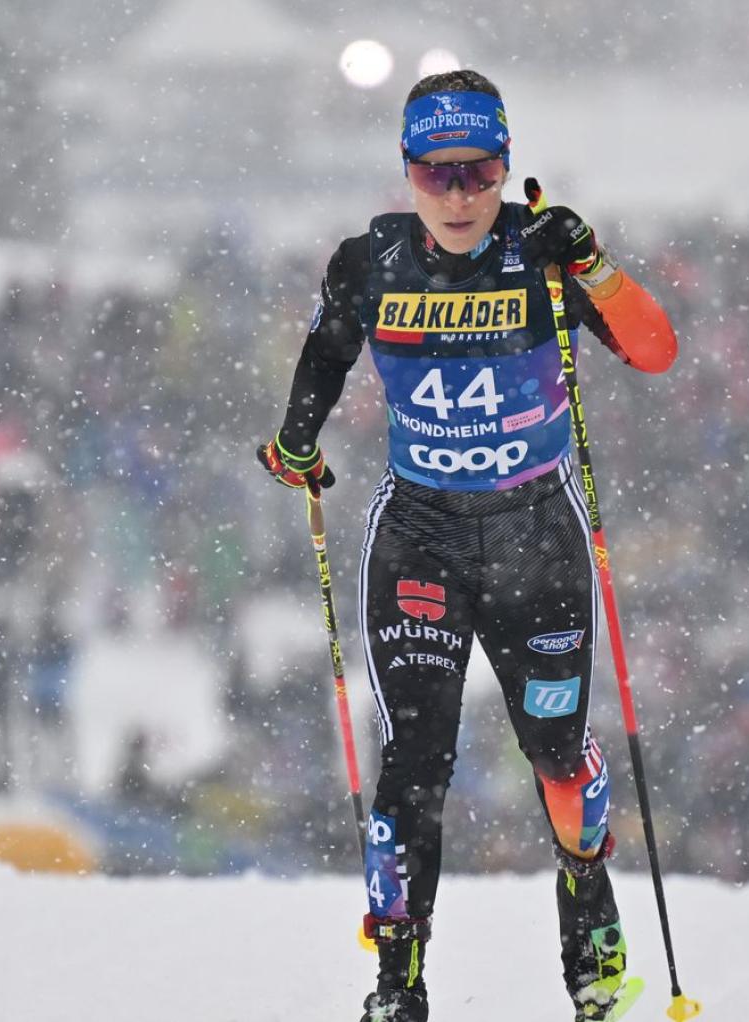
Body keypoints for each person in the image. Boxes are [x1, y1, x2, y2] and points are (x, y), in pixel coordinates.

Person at [256, 70, 677, 1022]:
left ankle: (588, 910)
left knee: (559, 761)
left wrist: (598, 265)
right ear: (406, 171)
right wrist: (296, 446)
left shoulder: (544, 255)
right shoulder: (371, 262)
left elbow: (655, 351)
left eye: (478, 171)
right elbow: (326, 353)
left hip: (537, 533)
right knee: (415, 766)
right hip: (422, 540)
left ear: (505, 167)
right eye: (437, 173)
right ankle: (398, 986)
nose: (458, 195)